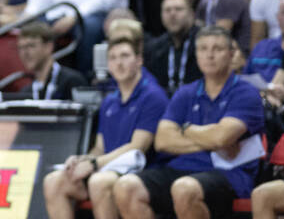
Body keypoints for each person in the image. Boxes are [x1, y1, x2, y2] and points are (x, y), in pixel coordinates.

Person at [113, 26, 265, 219]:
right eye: (203, 49)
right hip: (180, 167)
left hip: (229, 174)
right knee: (126, 186)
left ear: (232, 53)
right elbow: (162, 141)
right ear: (196, 54)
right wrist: (209, 139)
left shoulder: (246, 93)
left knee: (184, 188)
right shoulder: (186, 92)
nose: (209, 55)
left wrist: (185, 129)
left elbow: (222, 137)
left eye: (217, 49)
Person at [43, 34, 169, 219]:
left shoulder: (153, 96)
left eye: (125, 56)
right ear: (108, 65)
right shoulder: (110, 101)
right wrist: (83, 159)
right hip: (108, 166)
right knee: (54, 181)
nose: (119, 63)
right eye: (113, 58)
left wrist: (94, 164)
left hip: (142, 171)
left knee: (98, 182)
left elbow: (138, 147)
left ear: (139, 60)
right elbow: (100, 148)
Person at [12, 21, 87, 101]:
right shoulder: (26, 91)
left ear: (49, 46)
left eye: (31, 46)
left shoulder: (71, 81)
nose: (25, 53)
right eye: (21, 48)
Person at [144, 0, 202, 95]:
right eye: (167, 10)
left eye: (178, 9)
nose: (172, 14)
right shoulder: (154, 48)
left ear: (191, 14)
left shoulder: (204, 44)